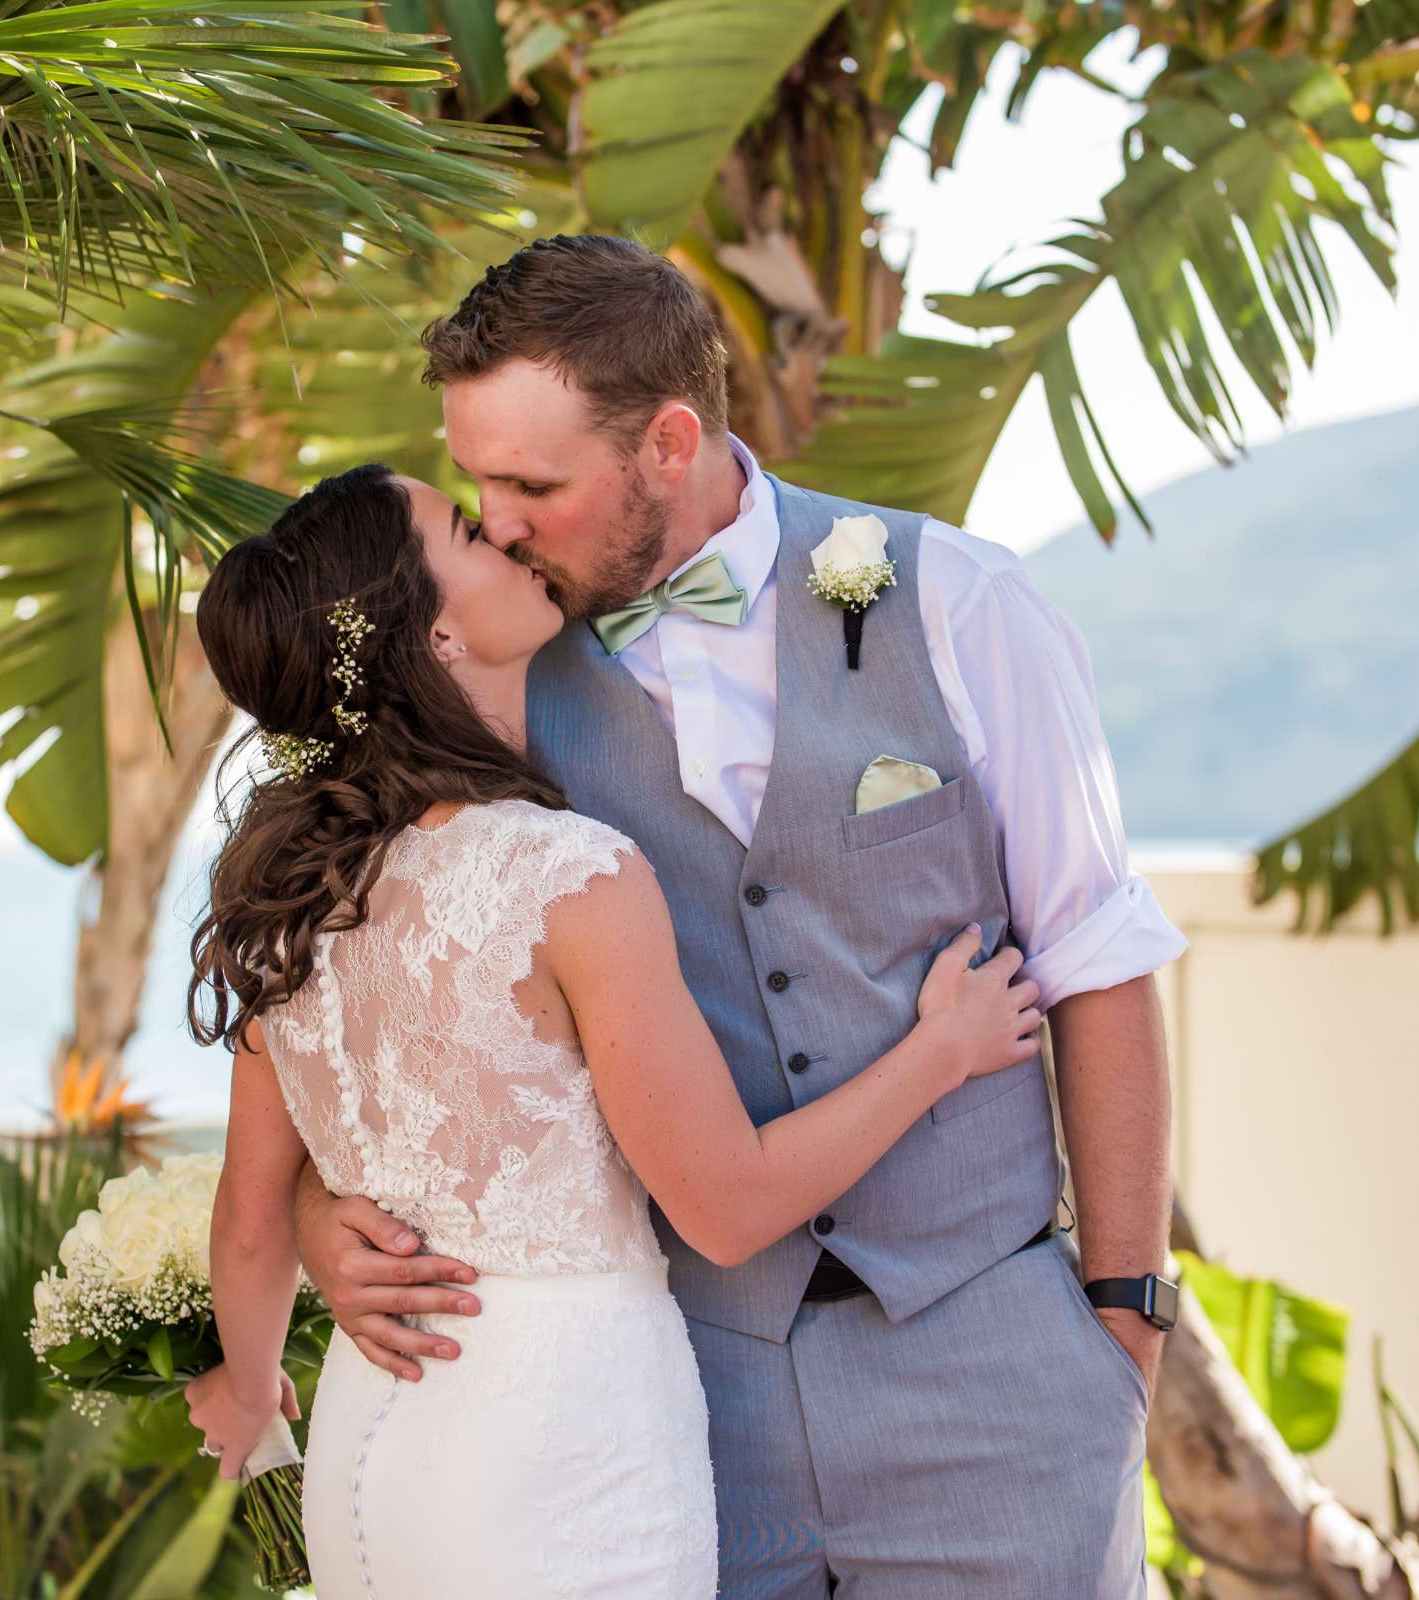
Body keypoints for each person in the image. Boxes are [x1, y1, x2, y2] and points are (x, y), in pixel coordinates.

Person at [282, 235, 1191, 1598]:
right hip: (682, 1404)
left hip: (992, 1371)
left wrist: (1124, 1322)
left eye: (533, 483)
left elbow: (1100, 966)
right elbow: (367, 970)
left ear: (668, 440)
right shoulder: (493, 674)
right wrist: (318, 1211)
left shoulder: (963, 603)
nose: (501, 522)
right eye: (476, 483)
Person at [180, 462, 1043, 1598]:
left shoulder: (289, 904)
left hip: (366, 1445)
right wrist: (943, 1049)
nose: (497, 529)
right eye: (461, 530)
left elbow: (248, 1226)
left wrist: (251, 1397)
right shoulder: (564, 876)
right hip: (558, 1456)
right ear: (434, 638)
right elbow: (727, 1208)